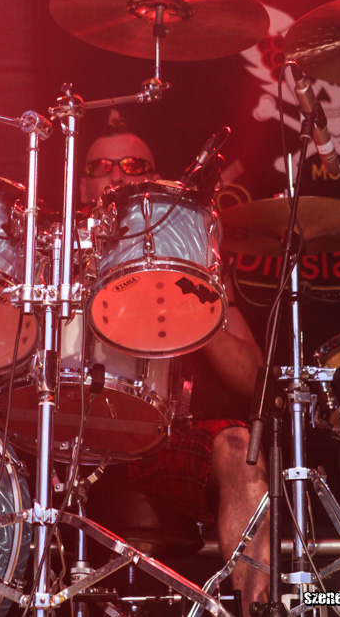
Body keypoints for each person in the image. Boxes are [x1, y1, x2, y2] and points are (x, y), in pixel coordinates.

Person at [80, 121, 270, 615]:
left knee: (241, 448)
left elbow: (253, 379)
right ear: (82, 187)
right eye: (101, 167)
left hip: (164, 440)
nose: (116, 176)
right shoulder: (53, 254)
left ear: (153, 180)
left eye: (132, 166)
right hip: (70, 437)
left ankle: (255, 609)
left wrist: (185, 303)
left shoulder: (194, 256)